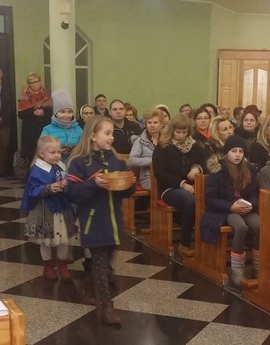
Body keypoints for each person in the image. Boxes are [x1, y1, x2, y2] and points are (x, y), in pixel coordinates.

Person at [66, 116, 135, 325]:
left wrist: (129, 184)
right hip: (93, 222)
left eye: (112, 133)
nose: (111, 137)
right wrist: (93, 184)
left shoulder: (117, 161)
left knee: (105, 264)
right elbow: (74, 194)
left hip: (113, 222)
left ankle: (89, 286)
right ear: (93, 136)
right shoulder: (80, 163)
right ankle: (106, 307)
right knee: (100, 264)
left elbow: (124, 193)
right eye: (107, 133)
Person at [201, 135, 260, 286]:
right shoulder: (218, 170)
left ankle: (257, 267)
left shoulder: (250, 169)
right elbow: (210, 199)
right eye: (234, 151)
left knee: (260, 225)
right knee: (241, 227)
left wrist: (251, 205)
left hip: (245, 207)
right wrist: (230, 207)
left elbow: (255, 192)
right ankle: (237, 272)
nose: (238, 155)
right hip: (226, 210)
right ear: (227, 152)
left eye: (241, 151)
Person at [21, 135, 77, 280]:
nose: (57, 155)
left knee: (64, 239)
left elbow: (68, 182)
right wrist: (48, 188)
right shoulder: (37, 170)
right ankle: (48, 266)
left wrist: (66, 185)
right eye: (52, 152)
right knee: (46, 241)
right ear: (42, 153)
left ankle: (63, 265)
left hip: (62, 208)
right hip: (45, 211)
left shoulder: (61, 166)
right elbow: (32, 190)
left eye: (59, 152)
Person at [153, 113, 206, 253]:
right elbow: (160, 173)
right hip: (170, 188)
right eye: (178, 132)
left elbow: (203, 164)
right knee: (190, 201)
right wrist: (182, 184)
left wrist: (197, 168)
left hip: (193, 186)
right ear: (172, 131)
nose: (181, 135)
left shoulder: (195, 146)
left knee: (210, 198)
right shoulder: (163, 147)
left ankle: (205, 244)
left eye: (184, 132)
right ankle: (184, 244)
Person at [17, 72, 52, 177]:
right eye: (31, 82)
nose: (34, 84)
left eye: (36, 81)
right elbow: (21, 114)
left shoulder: (47, 95)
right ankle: (32, 175)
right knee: (31, 153)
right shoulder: (24, 96)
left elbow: (52, 111)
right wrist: (33, 112)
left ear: (40, 82)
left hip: (44, 127)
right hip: (30, 129)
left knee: (44, 150)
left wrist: (43, 112)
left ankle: (44, 175)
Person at [41, 90, 82, 167]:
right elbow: (42, 149)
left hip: (75, 166)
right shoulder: (47, 130)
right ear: (55, 113)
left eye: (69, 112)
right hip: (53, 167)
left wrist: (74, 149)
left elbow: (84, 148)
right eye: (62, 112)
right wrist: (57, 150)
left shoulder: (78, 129)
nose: (66, 115)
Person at [129, 108, 164, 190]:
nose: (152, 125)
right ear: (146, 124)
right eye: (149, 122)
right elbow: (132, 160)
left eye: (155, 122)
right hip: (148, 178)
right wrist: (153, 161)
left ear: (161, 124)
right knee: (164, 186)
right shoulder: (139, 141)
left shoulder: (167, 140)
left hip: (165, 175)